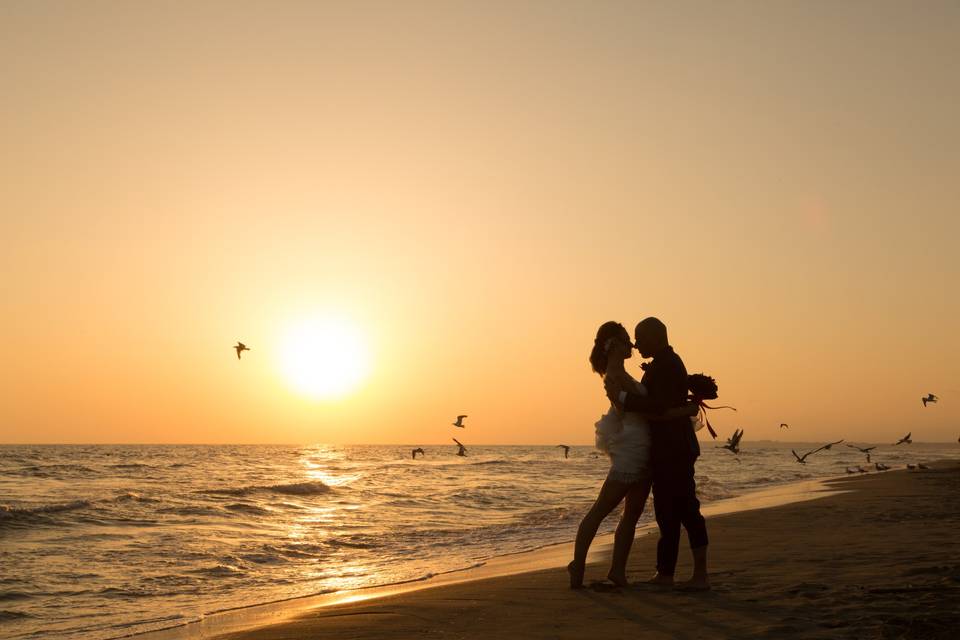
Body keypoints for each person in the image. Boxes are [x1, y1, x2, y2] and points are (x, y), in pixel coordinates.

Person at [568, 321, 696, 589]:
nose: (633, 346)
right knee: (602, 508)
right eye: (628, 341)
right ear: (614, 344)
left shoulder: (624, 373)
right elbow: (639, 409)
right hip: (631, 449)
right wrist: (682, 411)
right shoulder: (613, 377)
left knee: (632, 514)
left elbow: (649, 404)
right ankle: (577, 564)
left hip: (645, 448)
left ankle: (618, 572)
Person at [605, 317, 710, 591]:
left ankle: (700, 575)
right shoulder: (665, 363)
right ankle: (665, 573)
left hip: (675, 449)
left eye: (640, 338)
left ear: (655, 337)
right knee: (666, 512)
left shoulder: (667, 364)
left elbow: (658, 407)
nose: (636, 344)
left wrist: (623, 398)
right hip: (665, 450)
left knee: (686, 509)